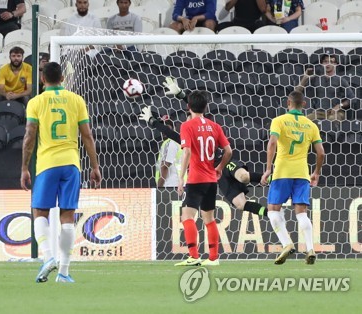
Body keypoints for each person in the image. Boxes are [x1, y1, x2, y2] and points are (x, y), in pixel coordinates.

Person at [140, 77, 269, 218]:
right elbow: (170, 133)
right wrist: (152, 121)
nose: (190, 119)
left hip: (222, 163)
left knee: (243, 177)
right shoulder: (186, 137)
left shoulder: (206, 126)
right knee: (240, 204)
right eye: (188, 118)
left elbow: (197, 107)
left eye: (190, 116)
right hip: (216, 176)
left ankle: (273, 178)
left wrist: (181, 95)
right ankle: (271, 214)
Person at [20, 62, 101, 283]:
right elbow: (87, 136)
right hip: (71, 164)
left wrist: (25, 167)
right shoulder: (77, 100)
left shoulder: (36, 102)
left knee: (40, 212)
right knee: (67, 216)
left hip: (47, 164)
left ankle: (48, 257)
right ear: (63, 78)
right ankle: (64, 272)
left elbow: (29, 136)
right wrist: (94, 166)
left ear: (43, 80)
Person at [260, 91, 325, 265]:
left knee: (273, 209)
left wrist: (268, 169)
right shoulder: (311, 125)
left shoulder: (278, 121)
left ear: (288, 103)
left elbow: (272, 143)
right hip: (302, 173)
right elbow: (321, 153)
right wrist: (316, 172)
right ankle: (310, 248)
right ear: (303, 105)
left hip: (282, 172)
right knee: (301, 213)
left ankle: (287, 244)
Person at [174, 90, 233, 267]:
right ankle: (213, 258)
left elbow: (187, 152)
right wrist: (220, 168)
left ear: (188, 107)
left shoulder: (187, 125)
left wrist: (181, 177)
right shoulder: (215, 126)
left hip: (196, 178)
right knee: (209, 218)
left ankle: (193, 256)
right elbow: (229, 151)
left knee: (187, 216)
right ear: (206, 107)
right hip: (211, 179)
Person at [295, 54, 355, 124]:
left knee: (332, 121)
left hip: (335, 113)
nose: (328, 64)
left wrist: (339, 106)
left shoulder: (341, 80)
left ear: (335, 64)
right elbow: (296, 93)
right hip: (318, 113)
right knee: (303, 122)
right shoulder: (315, 79)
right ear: (322, 64)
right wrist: (305, 77)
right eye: (325, 62)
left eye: (331, 62)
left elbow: (352, 98)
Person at [155, 119, 182, 188]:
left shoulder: (170, 142)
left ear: (173, 128)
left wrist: (159, 187)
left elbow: (165, 166)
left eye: (167, 127)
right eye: (163, 127)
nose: (164, 131)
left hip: (170, 185)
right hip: (177, 183)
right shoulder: (173, 142)